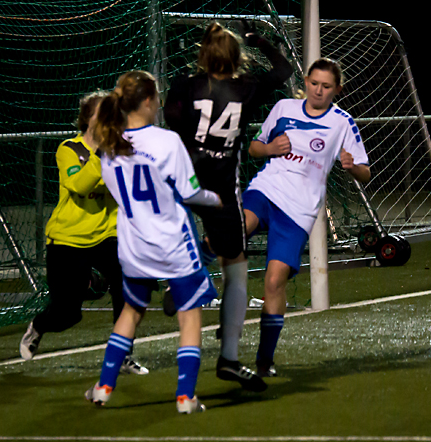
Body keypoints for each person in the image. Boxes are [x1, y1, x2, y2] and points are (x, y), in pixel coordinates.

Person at [84, 70, 223, 414]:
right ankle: (185, 396)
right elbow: (190, 193)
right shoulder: (167, 141)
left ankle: (103, 387)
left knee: (131, 312)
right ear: (147, 101)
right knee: (189, 316)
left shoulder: (110, 148)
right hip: (172, 243)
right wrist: (217, 199)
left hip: (134, 245)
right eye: (156, 97)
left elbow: (119, 195)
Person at [163, 20, 292, 389]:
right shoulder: (246, 89)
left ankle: (179, 282)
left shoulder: (184, 87)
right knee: (235, 269)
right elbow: (282, 71)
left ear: (202, 55)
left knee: (195, 246)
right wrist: (260, 40)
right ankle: (230, 357)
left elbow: (174, 121)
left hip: (183, 184)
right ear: (237, 57)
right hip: (220, 192)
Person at [242, 58, 371, 377]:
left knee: (274, 282)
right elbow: (254, 148)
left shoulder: (343, 122)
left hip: (299, 210)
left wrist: (351, 165)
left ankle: (264, 361)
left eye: (326, 86)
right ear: (306, 80)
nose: (318, 90)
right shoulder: (285, 108)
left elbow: (365, 172)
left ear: (337, 89)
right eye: (314, 83)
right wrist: (270, 148)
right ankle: (191, 281)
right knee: (239, 227)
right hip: (267, 188)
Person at [19, 90, 148, 376]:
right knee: (67, 314)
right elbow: (79, 185)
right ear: (89, 119)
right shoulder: (69, 149)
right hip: (68, 239)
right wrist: (103, 151)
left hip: (106, 235)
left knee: (127, 283)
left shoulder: (120, 150)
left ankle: (123, 353)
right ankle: (39, 325)